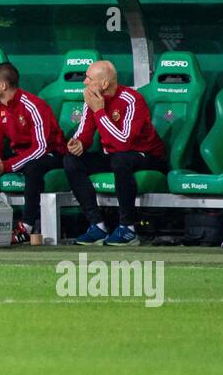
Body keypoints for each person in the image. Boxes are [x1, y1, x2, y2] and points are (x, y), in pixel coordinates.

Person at [65, 60, 168, 247]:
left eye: (88, 78)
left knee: (120, 160)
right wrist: (78, 143)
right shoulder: (93, 99)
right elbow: (85, 134)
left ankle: (128, 228)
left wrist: (99, 111)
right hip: (115, 155)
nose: (84, 82)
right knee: (72, 161)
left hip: (147, 156)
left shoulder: (132, 100)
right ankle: (97, 225)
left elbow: (123, 143)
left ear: (104, 83)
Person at [0, 61, 65, 233]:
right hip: (20, 153)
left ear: (3, 85)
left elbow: (40, 147)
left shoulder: (34, 105)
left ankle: (28, 226)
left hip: (50, 154)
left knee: (33, 167)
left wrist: (6, 166)